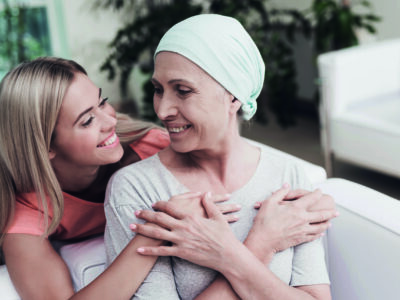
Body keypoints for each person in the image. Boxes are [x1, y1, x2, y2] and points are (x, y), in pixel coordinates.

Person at [104, 14, 335, 300]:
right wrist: (259, 245)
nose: (162, 111)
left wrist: (230, 256)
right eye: (158, 89)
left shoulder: (287, 177)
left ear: (234, 96)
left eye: (183, 91)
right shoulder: (138, 190)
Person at [0, 57, 238, 300]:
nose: (111, 121)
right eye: (87, 120)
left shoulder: (152, 149)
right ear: (44, 146)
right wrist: (156, 230)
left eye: (102, 103)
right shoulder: (26, 208)